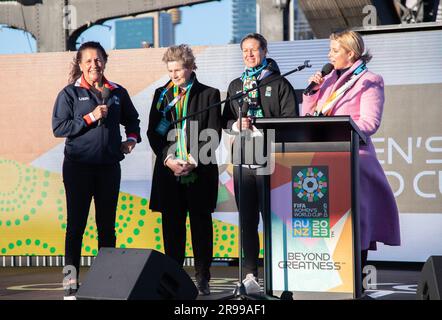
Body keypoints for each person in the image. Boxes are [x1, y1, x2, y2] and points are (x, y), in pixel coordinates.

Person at [301, 30, 401, 278]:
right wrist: (312, 92)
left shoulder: (369, 80)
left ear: (351, 53)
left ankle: (355, 283)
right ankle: (330, 281)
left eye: (334, 50)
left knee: (355, 228)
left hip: (354, 161)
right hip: (323, 160)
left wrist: (337, 129)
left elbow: (369, 123)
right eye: (330, 50)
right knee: (329, 228)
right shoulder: (326, 81)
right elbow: (308, 118)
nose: (329, 55)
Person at [52, 41, 141, 300]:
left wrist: (131, 140)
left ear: (105, 61)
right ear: (80, 65)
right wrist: (90, 117)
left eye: (98, 59)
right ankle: (70, 283)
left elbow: (133, 121)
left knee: (107, 228)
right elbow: (59, 128)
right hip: (78, 168)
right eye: (88, 60)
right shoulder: (69, 93)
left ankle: (107, 281)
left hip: (109, 169)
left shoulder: (117, 92)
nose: (94, 65)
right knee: (75, 227)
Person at [222, 33, 298, 287]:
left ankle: (278, 271)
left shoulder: (279, 83)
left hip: (273, 160)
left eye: (254, 50)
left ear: (265, 51)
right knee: (247, 220)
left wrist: (260, 124)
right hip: (243, 160)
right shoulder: (235, 86)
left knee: (273, 219)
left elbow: (291, 121)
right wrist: (236, 123)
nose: (249, 55)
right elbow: (225, 121)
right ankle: (250, 274)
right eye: (245, 51)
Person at [147, 44, 221, 295]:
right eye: (170, 71)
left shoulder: (209, 94)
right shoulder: (161, 94)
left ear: (190, 68)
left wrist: (192, 160)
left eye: (178, 70)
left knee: (201, 225)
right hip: (169, 171)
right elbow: (154, 133)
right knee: (172, 226)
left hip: (198, 170)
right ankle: (174, 276)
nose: (174, 75)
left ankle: (203, 277)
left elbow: (213, 132)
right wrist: (169, 160)